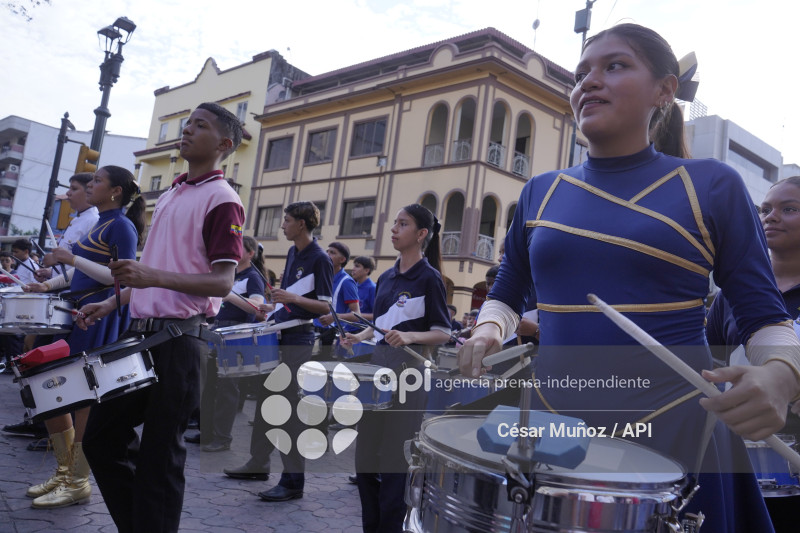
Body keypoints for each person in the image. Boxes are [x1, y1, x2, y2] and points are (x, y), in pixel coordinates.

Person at [459, 23, 800, 532]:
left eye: (614, 66)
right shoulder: (541, 191)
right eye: (580, 75)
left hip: (676, 425)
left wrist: (782, 375)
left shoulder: (710, 184)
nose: (587, 83)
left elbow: (763, 316)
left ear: (664, 90)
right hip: (556, 423)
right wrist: (490, 328)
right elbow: (509, 288)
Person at [75, 102, 245, 533]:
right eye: (187, 124)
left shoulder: (223, 199)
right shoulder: (171, 193)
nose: (187, 131)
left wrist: (148, 275)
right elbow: (154, 270)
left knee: (160, 461)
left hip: (180, 344)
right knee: (100, 438)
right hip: (141, 337)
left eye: (200, 126)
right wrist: (113, 302)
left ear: (224, 144)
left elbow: (223, 282)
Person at [23, 165, 144, 508]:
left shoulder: (122, 226)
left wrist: (70, 256)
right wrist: (47, 284)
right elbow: (81, 272)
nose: (91, 186)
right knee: (53, 392)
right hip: (80, 311)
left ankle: (78, 480)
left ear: (116, 191)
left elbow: (118, 277)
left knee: (84, 398)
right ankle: (65, 471)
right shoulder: (102, 223)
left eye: (98, 181)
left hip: (101, 315)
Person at [342, 203, 451, 533]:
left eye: (402, 225)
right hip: (378, 376)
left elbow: (444, 332)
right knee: (364, 462)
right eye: (394, 224)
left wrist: (410, 336)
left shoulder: (431, 279)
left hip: (410, 381)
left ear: (420, 235)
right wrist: (358, 335)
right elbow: (382, 322)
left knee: (394, 465)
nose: (394, 229)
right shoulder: (387, 276)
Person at [706, 176, 800, 532]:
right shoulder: (730, 295)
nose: (771, 217)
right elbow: (707, 366)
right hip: (740, 468)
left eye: (788, 209)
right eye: (765, 210)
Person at [225, 201, 333, 503]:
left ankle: (293, 481)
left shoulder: (320, 258)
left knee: (289, 413)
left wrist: (291, 297)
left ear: (302, 223)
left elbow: (326, 306)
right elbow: (291, 301)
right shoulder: (292, 252)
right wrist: (274, 307)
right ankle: (258, 463)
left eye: (286, 220)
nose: (282, 225)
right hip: (280, 334)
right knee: (265, 404)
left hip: (298, 341)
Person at [186, 235, 267, 452]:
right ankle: (207, 432)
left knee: (227, 388)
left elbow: (257, 308)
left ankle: (222, 438)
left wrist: (229, 295)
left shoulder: (252, 277)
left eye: (238, 247)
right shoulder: (229, 273)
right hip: (218, 330)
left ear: (250, 254)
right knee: (210, 385)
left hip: (237, 334)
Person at [34, 172, 100, 282]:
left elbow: (89, 263)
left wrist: (56, 258)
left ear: (89, 191)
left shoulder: (94, 220)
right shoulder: (77, 219)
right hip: (61, 286)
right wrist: (50, 273)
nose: (68, 193)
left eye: (74, 189)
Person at [314, 241, 360, 359]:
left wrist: (334, 317)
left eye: (332, 253)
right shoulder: (320, 276)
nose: (327, 254)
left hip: (331, 337)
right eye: (327, 252)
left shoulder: (347, 282)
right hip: (313, 332)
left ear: (342, 259)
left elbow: (356, 315)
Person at [352, 256, 376, 322]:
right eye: (353, 266)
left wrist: (355, 316)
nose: (353, 269)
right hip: (347, 328)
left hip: (362, 329)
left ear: (366, 270)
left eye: (357, 266)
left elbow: (376, 315)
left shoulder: (372, 288)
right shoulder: (353, 286)